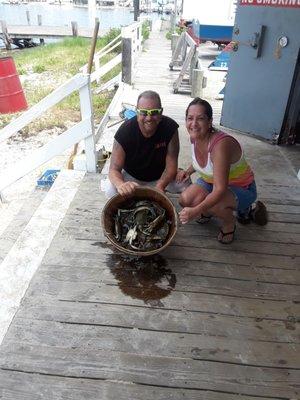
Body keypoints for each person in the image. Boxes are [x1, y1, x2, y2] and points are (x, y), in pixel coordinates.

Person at [177, 97, 266, 244]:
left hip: (241, 188)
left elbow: (219, 190)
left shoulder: (220, 146)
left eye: (200, 119)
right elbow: (202, 161)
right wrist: (188, 171)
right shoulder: (195, 136)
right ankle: (209, 211)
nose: (193, 124)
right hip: (212, 181)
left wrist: (195, 211)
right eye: (190, 118)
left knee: (213, 203)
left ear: (210, 122)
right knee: (185, 199)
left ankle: (230, 223)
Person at [104, 90, 189, 198]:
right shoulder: (125, 131)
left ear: (161, 112)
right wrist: (121, 185)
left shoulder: (170, 128)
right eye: (143, 112)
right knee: (110, 190)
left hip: (160, 177)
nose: (149, 118)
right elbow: (114, 169)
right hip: (132, 178)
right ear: (137, 112)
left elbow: (171, 167)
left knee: (185, 184)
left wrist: (160, 187)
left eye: (154, 112)